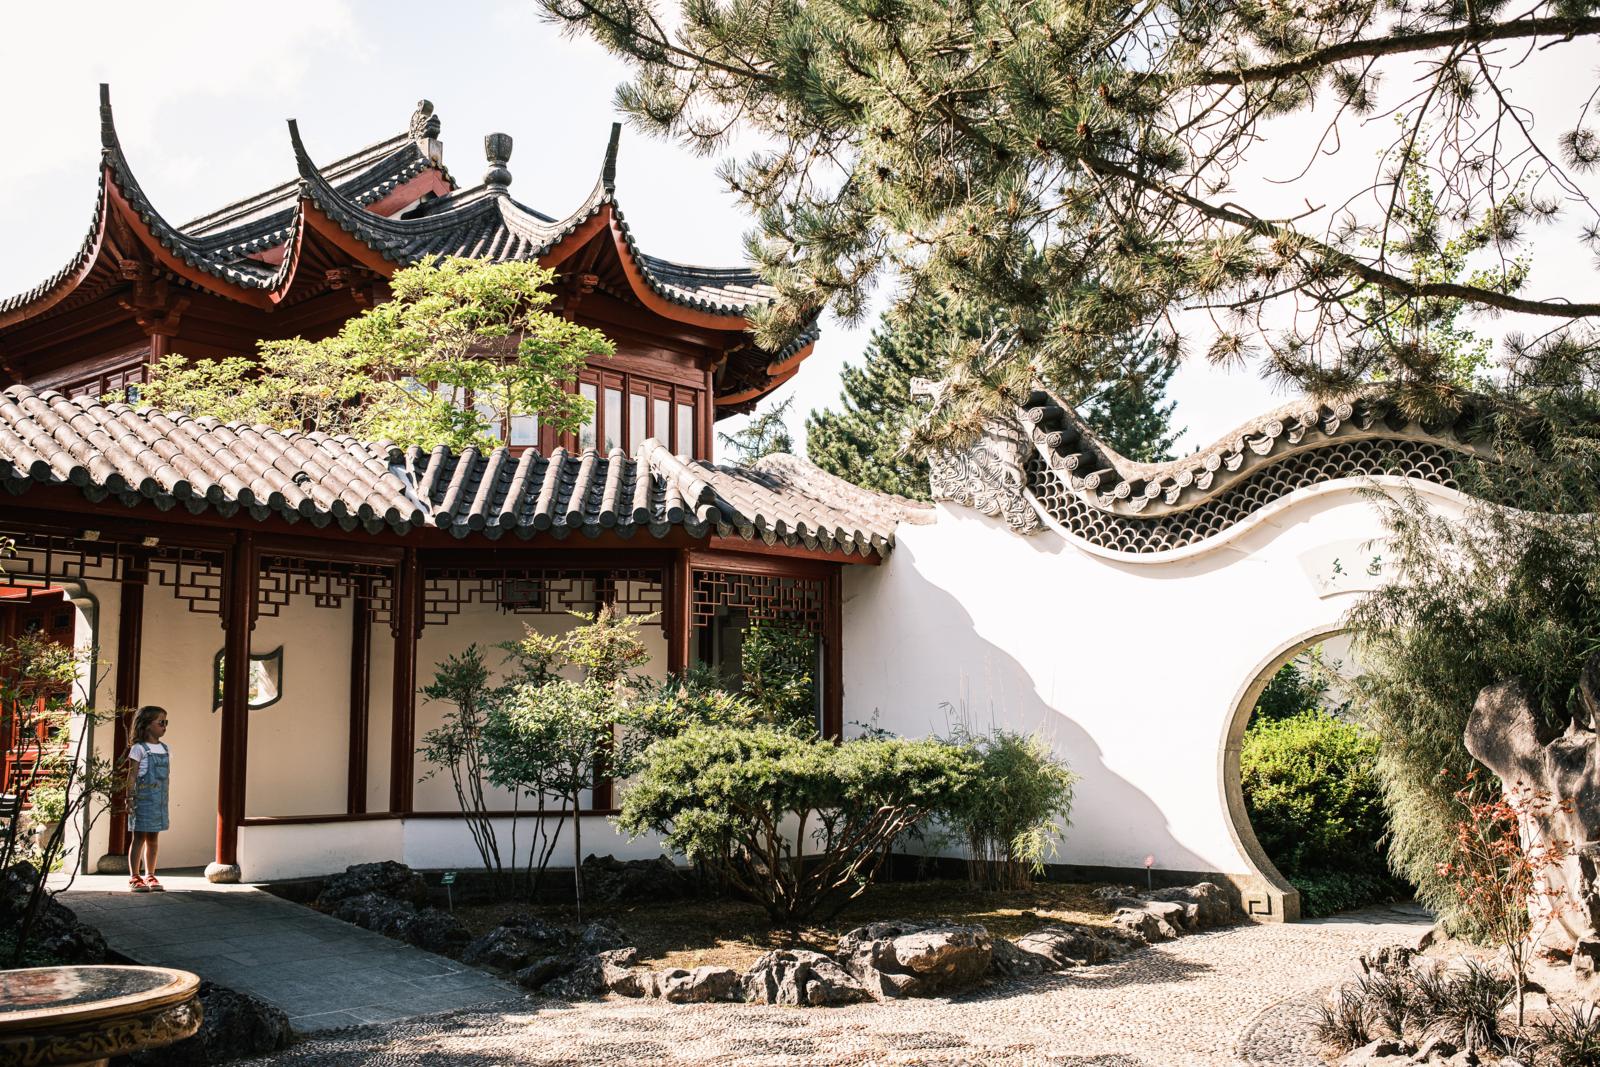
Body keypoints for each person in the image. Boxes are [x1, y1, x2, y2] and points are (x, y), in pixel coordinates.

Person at [125, 705, 170, 893]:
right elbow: (132, 776)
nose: (165, 726)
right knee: (139, 838)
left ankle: (150, 874)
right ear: (147, 725)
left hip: (160, 801)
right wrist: (129, 797)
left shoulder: (166, 749)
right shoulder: (138, 749)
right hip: (143, 800)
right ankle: (134, 876)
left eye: (166, 722)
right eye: (161, 722)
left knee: (153, 838)